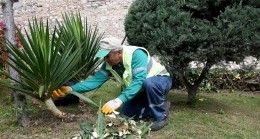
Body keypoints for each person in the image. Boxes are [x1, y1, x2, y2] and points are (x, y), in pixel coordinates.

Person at [52, 36, 172, 131]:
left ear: (119, 52)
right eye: (103, 57)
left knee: (148, 83)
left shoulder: (136, 55)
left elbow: (138, 81)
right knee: (125, 114)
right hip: (140, 89)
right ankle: (162, 106)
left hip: (160, 81)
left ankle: (161, 118)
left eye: (107, 56)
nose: (105, 60)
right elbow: (94, 82)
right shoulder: (109, 65)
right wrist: (70, 89)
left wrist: (118, 100)